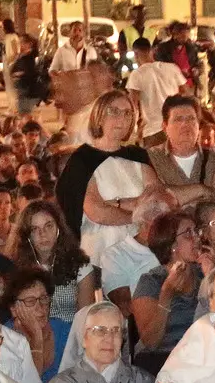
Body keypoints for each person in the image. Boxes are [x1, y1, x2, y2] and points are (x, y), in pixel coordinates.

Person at [55, 91, 161, 263]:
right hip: (100, 255)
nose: (122, 118)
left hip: (142, 252)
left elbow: (155, 199)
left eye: (127, 113)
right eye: (114, 111)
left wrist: (116, 204)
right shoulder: (83, 158)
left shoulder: (137, 155)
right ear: (99, 116)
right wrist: (137, 215)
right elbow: (97, 211)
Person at [130, 210, 204, 375]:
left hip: (201, 356)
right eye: (188, 234)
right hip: (161, 358)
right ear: (172, 246)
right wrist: (166, 296)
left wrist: (213, 276)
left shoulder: (204, 274)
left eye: (196, 231)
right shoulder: (152, 281)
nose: (197, 238)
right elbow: (151, 342)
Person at [5, 200, 97, 322]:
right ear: (26, 236)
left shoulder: (80, 266)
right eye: (34, 229)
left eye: (48, 226)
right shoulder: (15, 268)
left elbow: (85, 319)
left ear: (59, 229)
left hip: (70, 335)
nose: (43, 234)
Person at [147, 97, 215, 206]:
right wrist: (201, 190)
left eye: (191, 119)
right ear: (165, 127)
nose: (185, 125)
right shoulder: (151, 159)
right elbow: (153, 198)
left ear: (198, 125)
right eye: (178, 119)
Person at [126, 37, 187, 145]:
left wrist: (135, 131)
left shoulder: (137, 74)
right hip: (175, 127)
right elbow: (186, 94)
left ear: (135, 54)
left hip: (152, 131)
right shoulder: (172, 68)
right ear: (152, 51)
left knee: (154, 161)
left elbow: (132, 105)